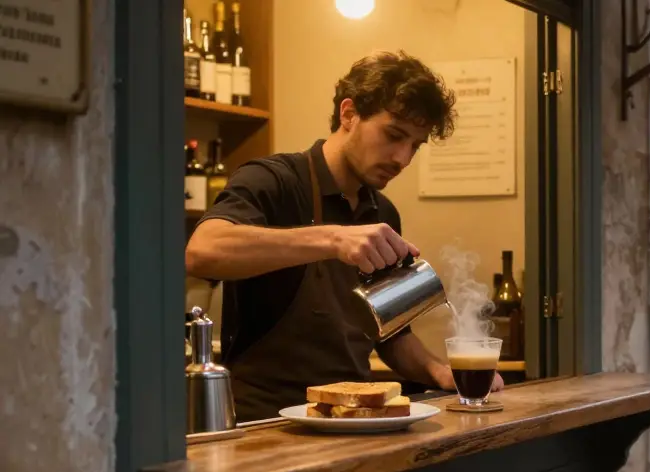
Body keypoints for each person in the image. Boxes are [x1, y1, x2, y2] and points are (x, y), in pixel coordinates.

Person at [186, 50, 502, 421]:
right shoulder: (273, 181)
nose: (402, 158)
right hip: (267, 424)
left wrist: (439, 372)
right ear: (349, 114)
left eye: (415, 145)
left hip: (356, 418)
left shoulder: (382, 213)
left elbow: (392, 334)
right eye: (394, 135)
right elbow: (202, 251)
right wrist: (333, 240)